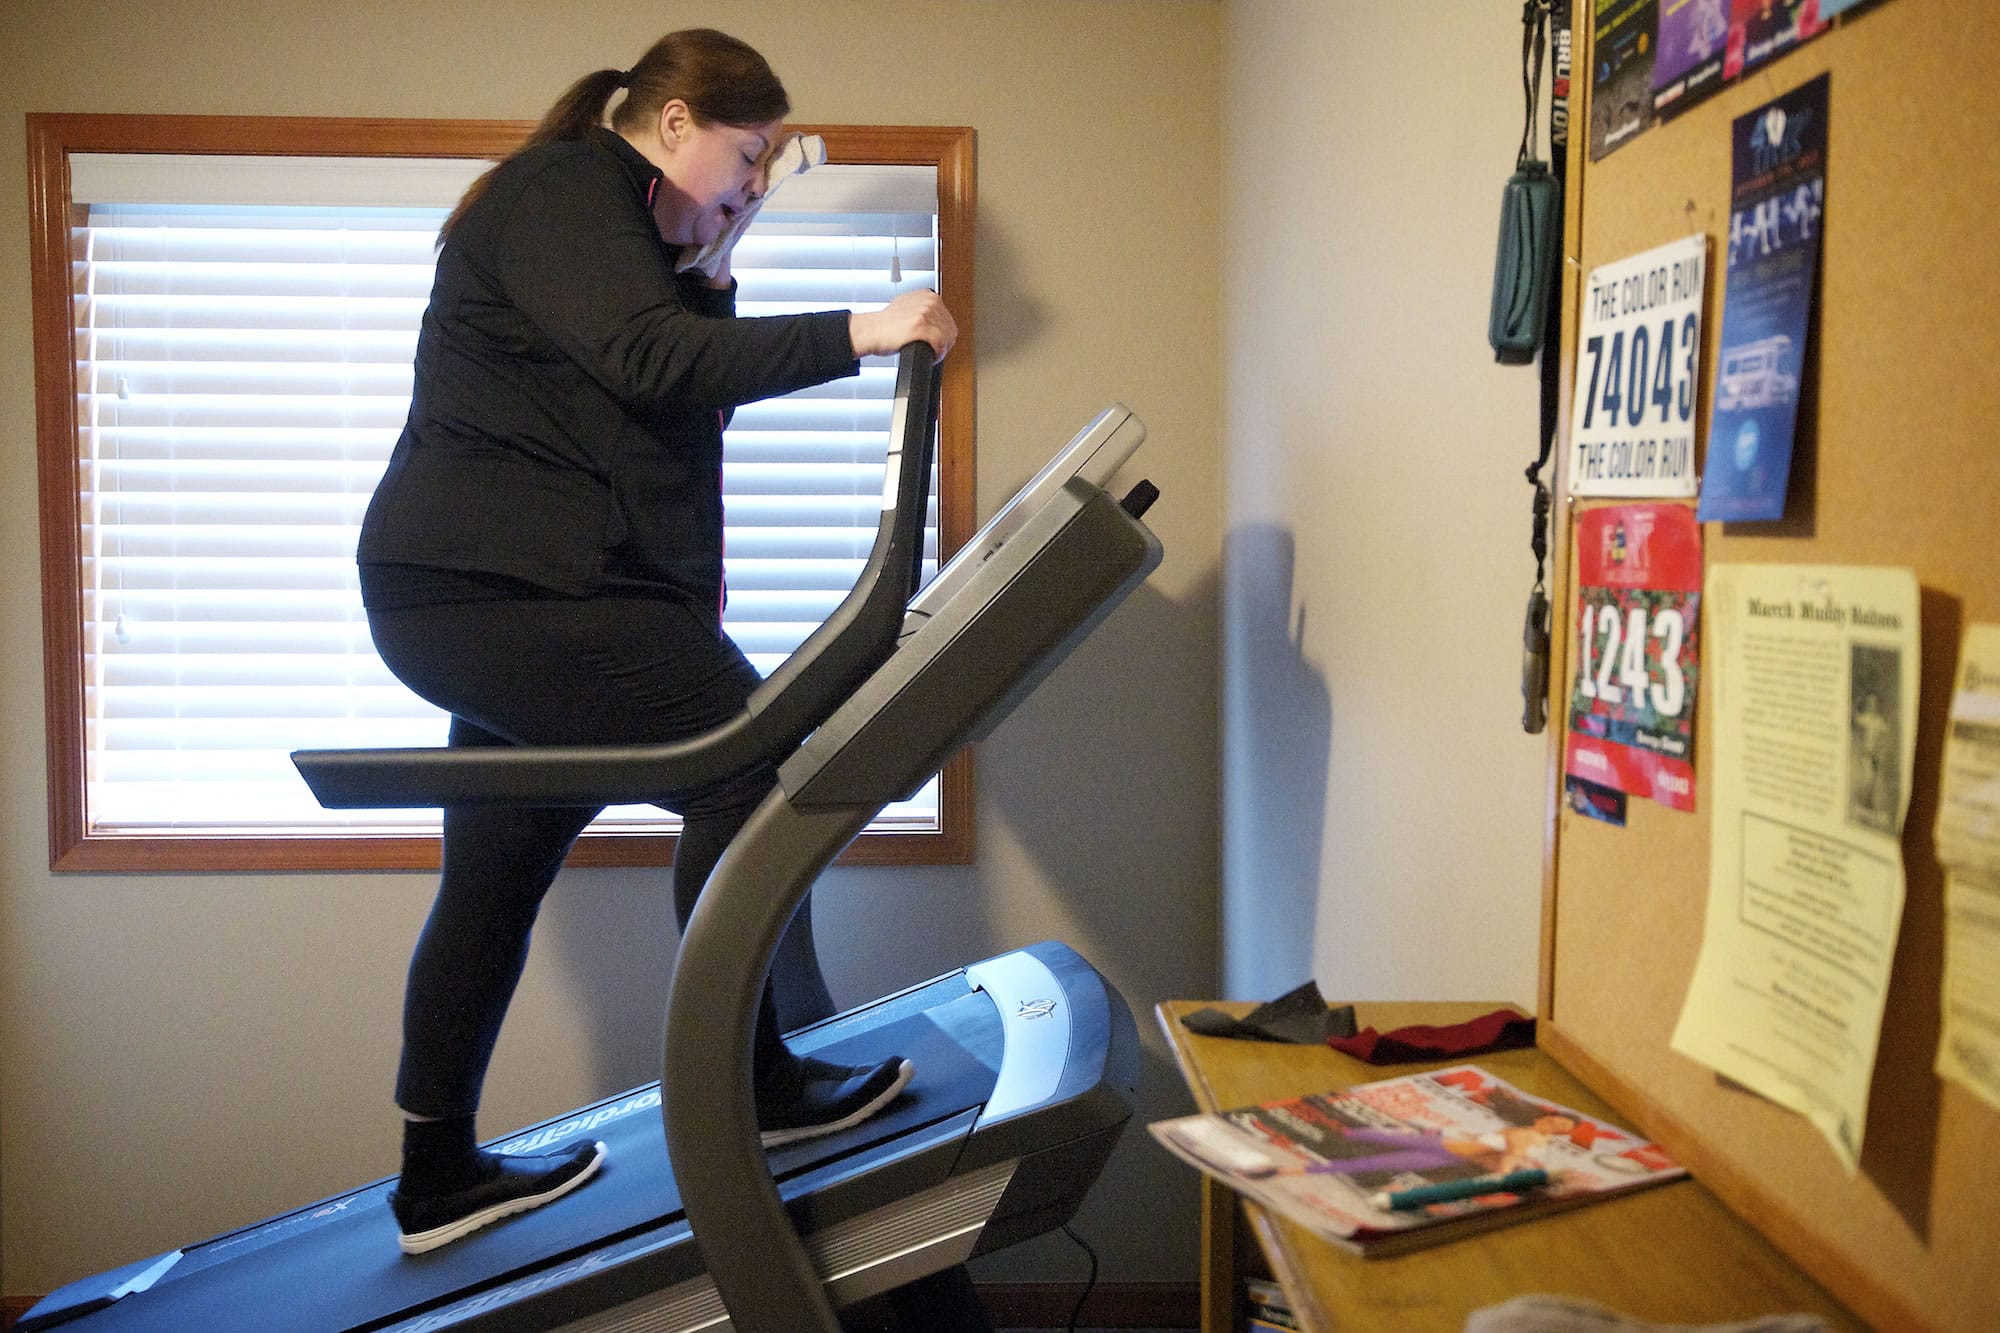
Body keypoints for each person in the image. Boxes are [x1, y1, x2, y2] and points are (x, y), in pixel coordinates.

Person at [355, 28, 957, 1255]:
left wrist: (716, 257)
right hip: (512, 594)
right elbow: (654, 360)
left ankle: (435, 1176)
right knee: (755, 773)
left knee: (493, 877)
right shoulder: (565, 188)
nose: (750, 184)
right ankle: (753, 1084)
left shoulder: (629, 236)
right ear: (673, 121)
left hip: (491, 595)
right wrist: (865, 329)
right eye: (746, 157)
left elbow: (670, 404)